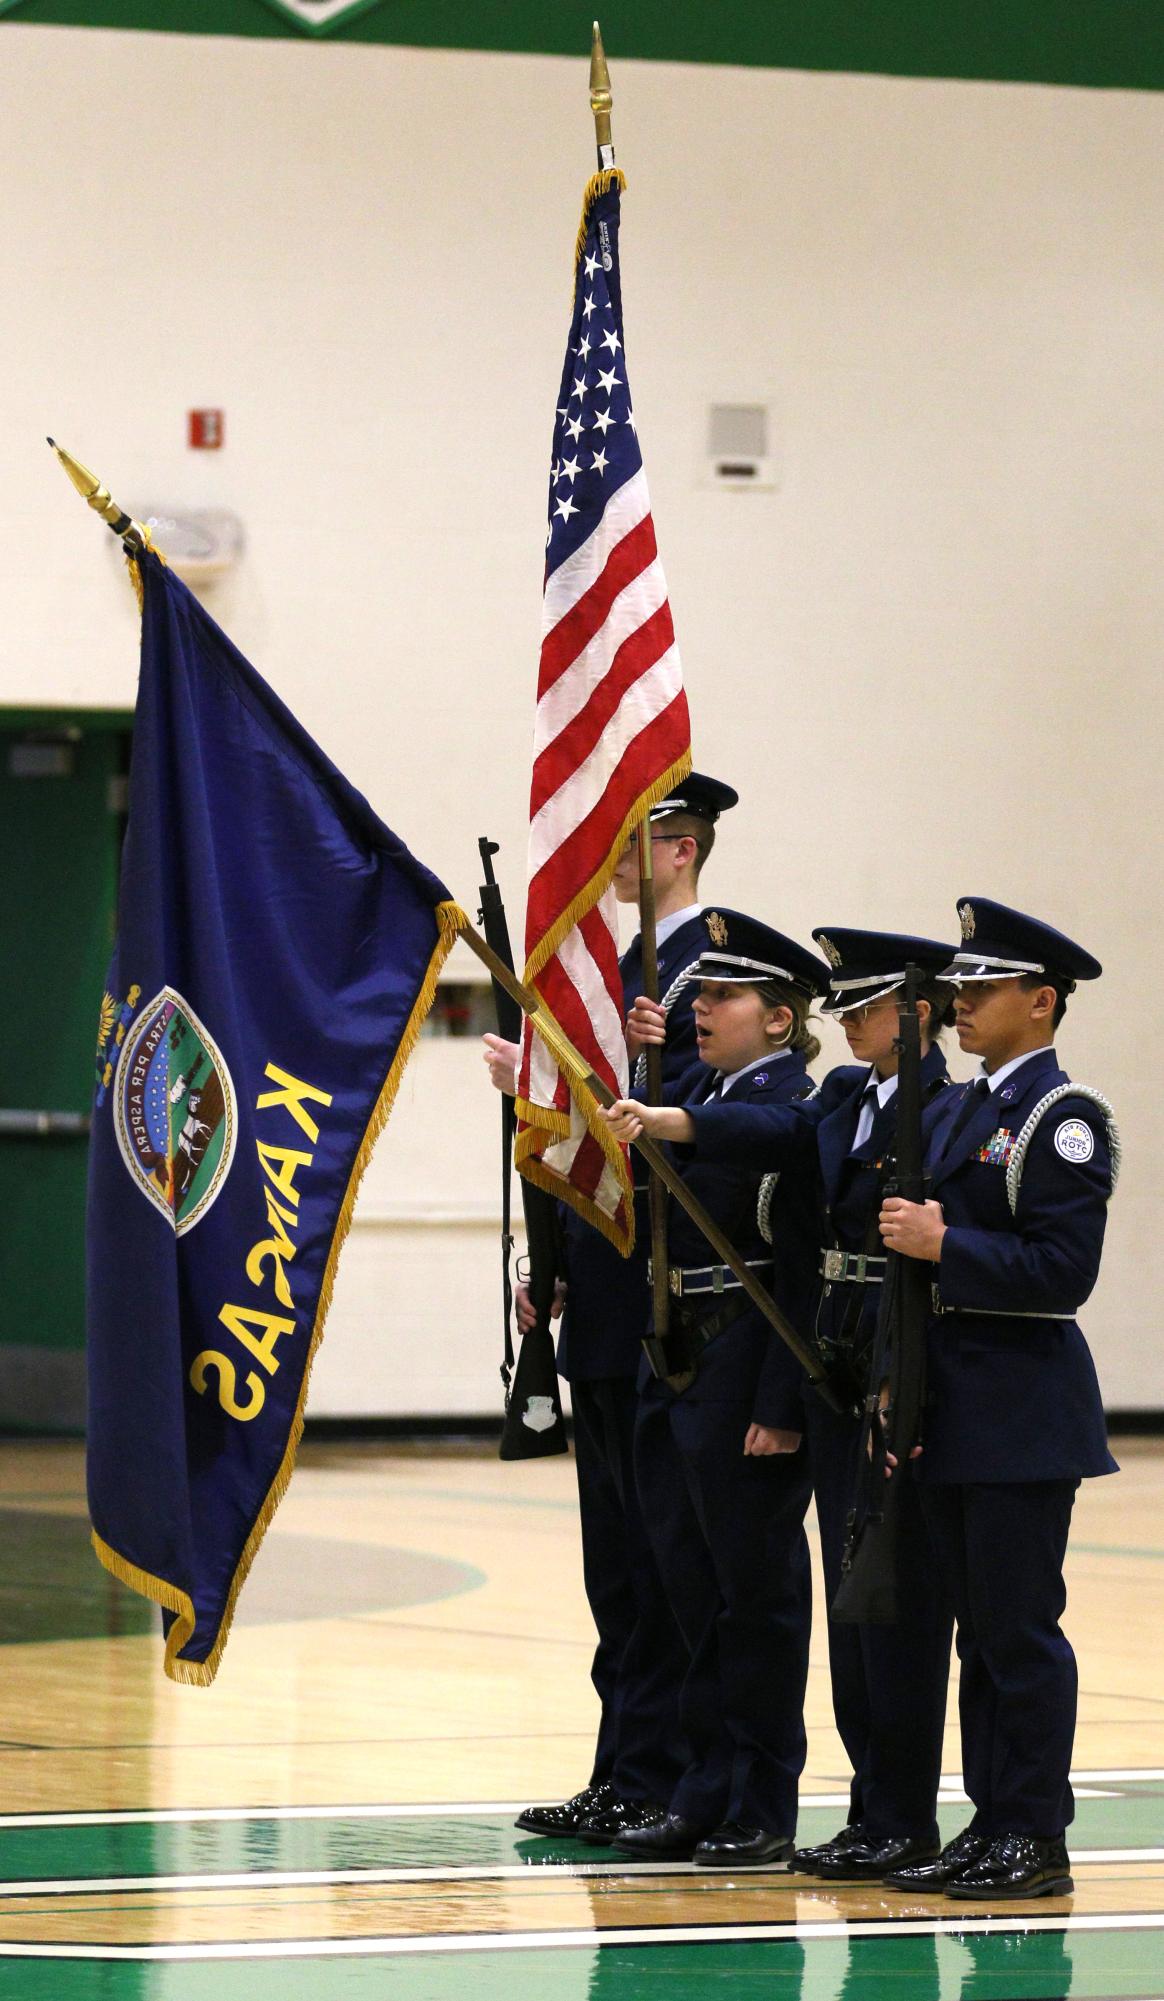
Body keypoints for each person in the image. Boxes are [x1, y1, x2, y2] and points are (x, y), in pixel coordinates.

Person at [649, 927, 958, 1880]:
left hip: (896, 1365)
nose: (850, 1021)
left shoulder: (944, 1108)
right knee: (849, 1602)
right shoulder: (842, 1098)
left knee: (890, 1599)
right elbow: (777, 1133)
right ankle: (871, 1808)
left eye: (867, 1006)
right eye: (848, 1006)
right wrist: (677, 1122)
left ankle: (901, 1809)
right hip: (839, 1368)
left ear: (916, 1015)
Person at [482, 774, 740, 1843]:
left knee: (675, 1562)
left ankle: (682, 1777)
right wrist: (556, 1263)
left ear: (681, 847)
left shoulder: (717, 973)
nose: (614, 861)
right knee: (620, 1565)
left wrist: (578, 1080)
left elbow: (713, 1124)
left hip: (668, 1309)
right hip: (603, 1298)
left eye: (636, 840)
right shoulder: (613, 970)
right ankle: (626, 1768)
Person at [876, 896, 1118, 1899]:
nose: (961, 1004)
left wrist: (948, 1248)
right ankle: (990, 1821)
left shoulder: (1063, 1119)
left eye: (982, 989)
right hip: (951, 1402)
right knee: (976, 1634)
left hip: (1021, 1405)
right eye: (958, 989)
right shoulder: (963, 1106)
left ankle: (1035, 1832)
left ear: (1042, 1002)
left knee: (1018, 1631)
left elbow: (1063, 1270)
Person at [599, 915, 829, 1866]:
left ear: (778, 1019)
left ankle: (764, 1800)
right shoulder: (700, 1085)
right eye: (698, 995)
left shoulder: (792, 1100)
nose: (701, 1009)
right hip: (678, 1351)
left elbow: (782, 1168)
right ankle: (704, 1785)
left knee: (755, 1598)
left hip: (746, 1357)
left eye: (723, 997)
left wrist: (780, 1404)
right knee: (689, 1588)